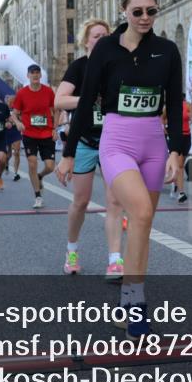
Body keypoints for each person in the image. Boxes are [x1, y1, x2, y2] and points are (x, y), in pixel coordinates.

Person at [56, 0, 183, 338]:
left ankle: (130, 299)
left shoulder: (167, 50)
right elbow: (84, 103)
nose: (145, 17)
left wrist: (176, 150)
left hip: (154, 144)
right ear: (124, 12)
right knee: (140, 211)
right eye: (137, 11)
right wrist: (67, 154)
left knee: (143, 224)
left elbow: (174, 101)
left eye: (151, 11)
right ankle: (137, 304)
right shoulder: (107, 49)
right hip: (117, 142)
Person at [55, 18, 126, 280]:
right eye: (96, 36)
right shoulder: (79, 66)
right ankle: (71, 251)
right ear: (86, 41)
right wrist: (87, 99)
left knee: (115, 201)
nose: (101, 39)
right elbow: (60, 99)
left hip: (113, 141)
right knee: (81, 201)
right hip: (84, 142)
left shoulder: (116, 65)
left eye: (105, 35)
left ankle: (115, 260)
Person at [11, 64, 57, 209]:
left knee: (50, 166)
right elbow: (14, 113)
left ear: (40, 75)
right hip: (29, 133)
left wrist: (55, 128)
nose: (35, 75)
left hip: (46, 132)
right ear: (28, 76)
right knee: (32, 163)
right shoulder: (22, 93)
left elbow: (56, 110)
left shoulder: (48, 92)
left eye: (37, 73)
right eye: (32, 73)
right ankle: (38, 196)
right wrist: (18, 123)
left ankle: (40, 176)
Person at [4, 95, 22, 181]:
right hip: (6, 132)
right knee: (8, 154)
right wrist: (5, 123)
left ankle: (16, 173)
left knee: (17, 152)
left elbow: (23, 119)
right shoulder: (3, 109)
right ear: (7, 101)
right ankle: (6, 163)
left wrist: (18, 121)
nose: (11, 103)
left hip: (16, 132)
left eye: (13, 101)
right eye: (10, 101)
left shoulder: (19, 109)